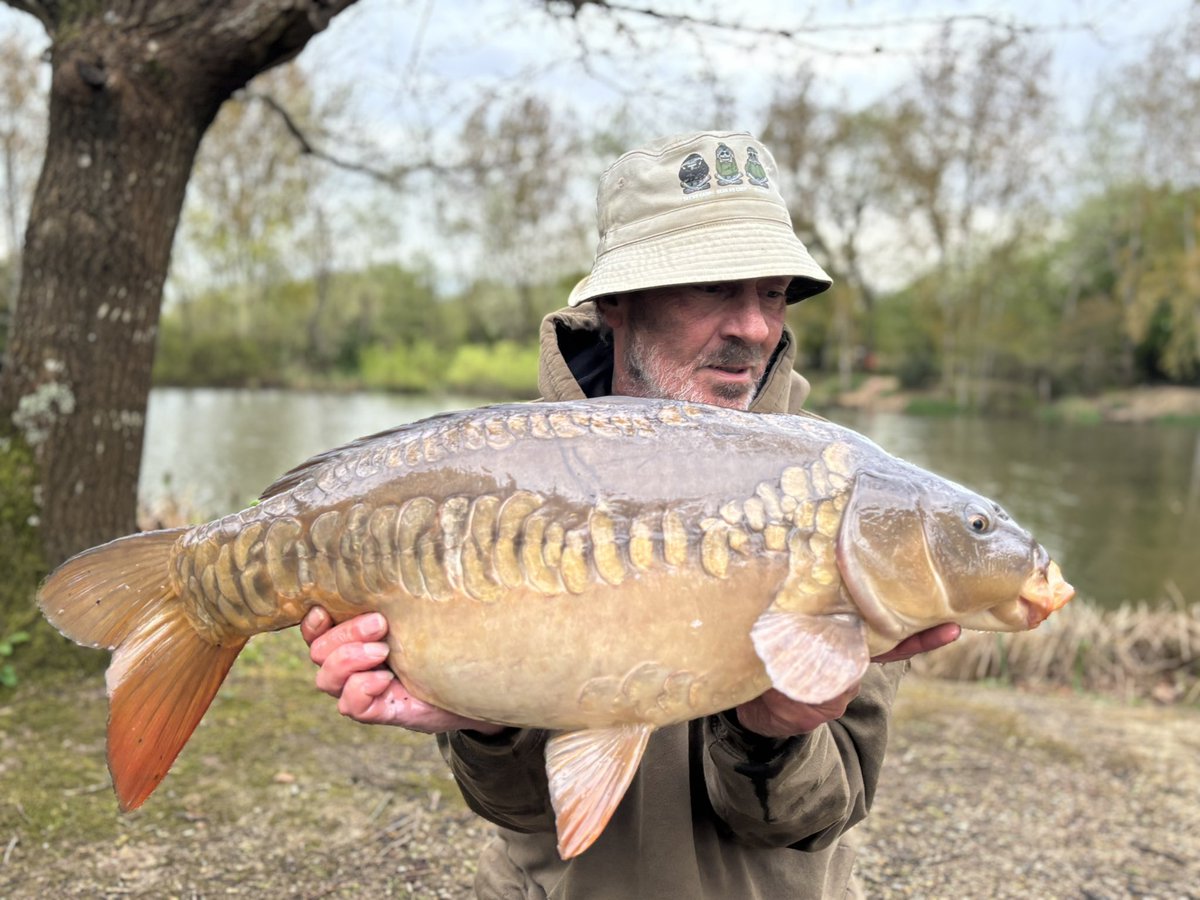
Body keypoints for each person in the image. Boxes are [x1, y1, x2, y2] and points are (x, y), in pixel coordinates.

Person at [301, 131, 959, 898]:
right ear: (616, 301)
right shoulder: (499, 481)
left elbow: (823, 812)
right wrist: (483, 722)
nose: (752, 326)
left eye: (772, 293)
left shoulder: (855, 505)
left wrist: (773, 737)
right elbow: (516, 807)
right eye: (716, 287)